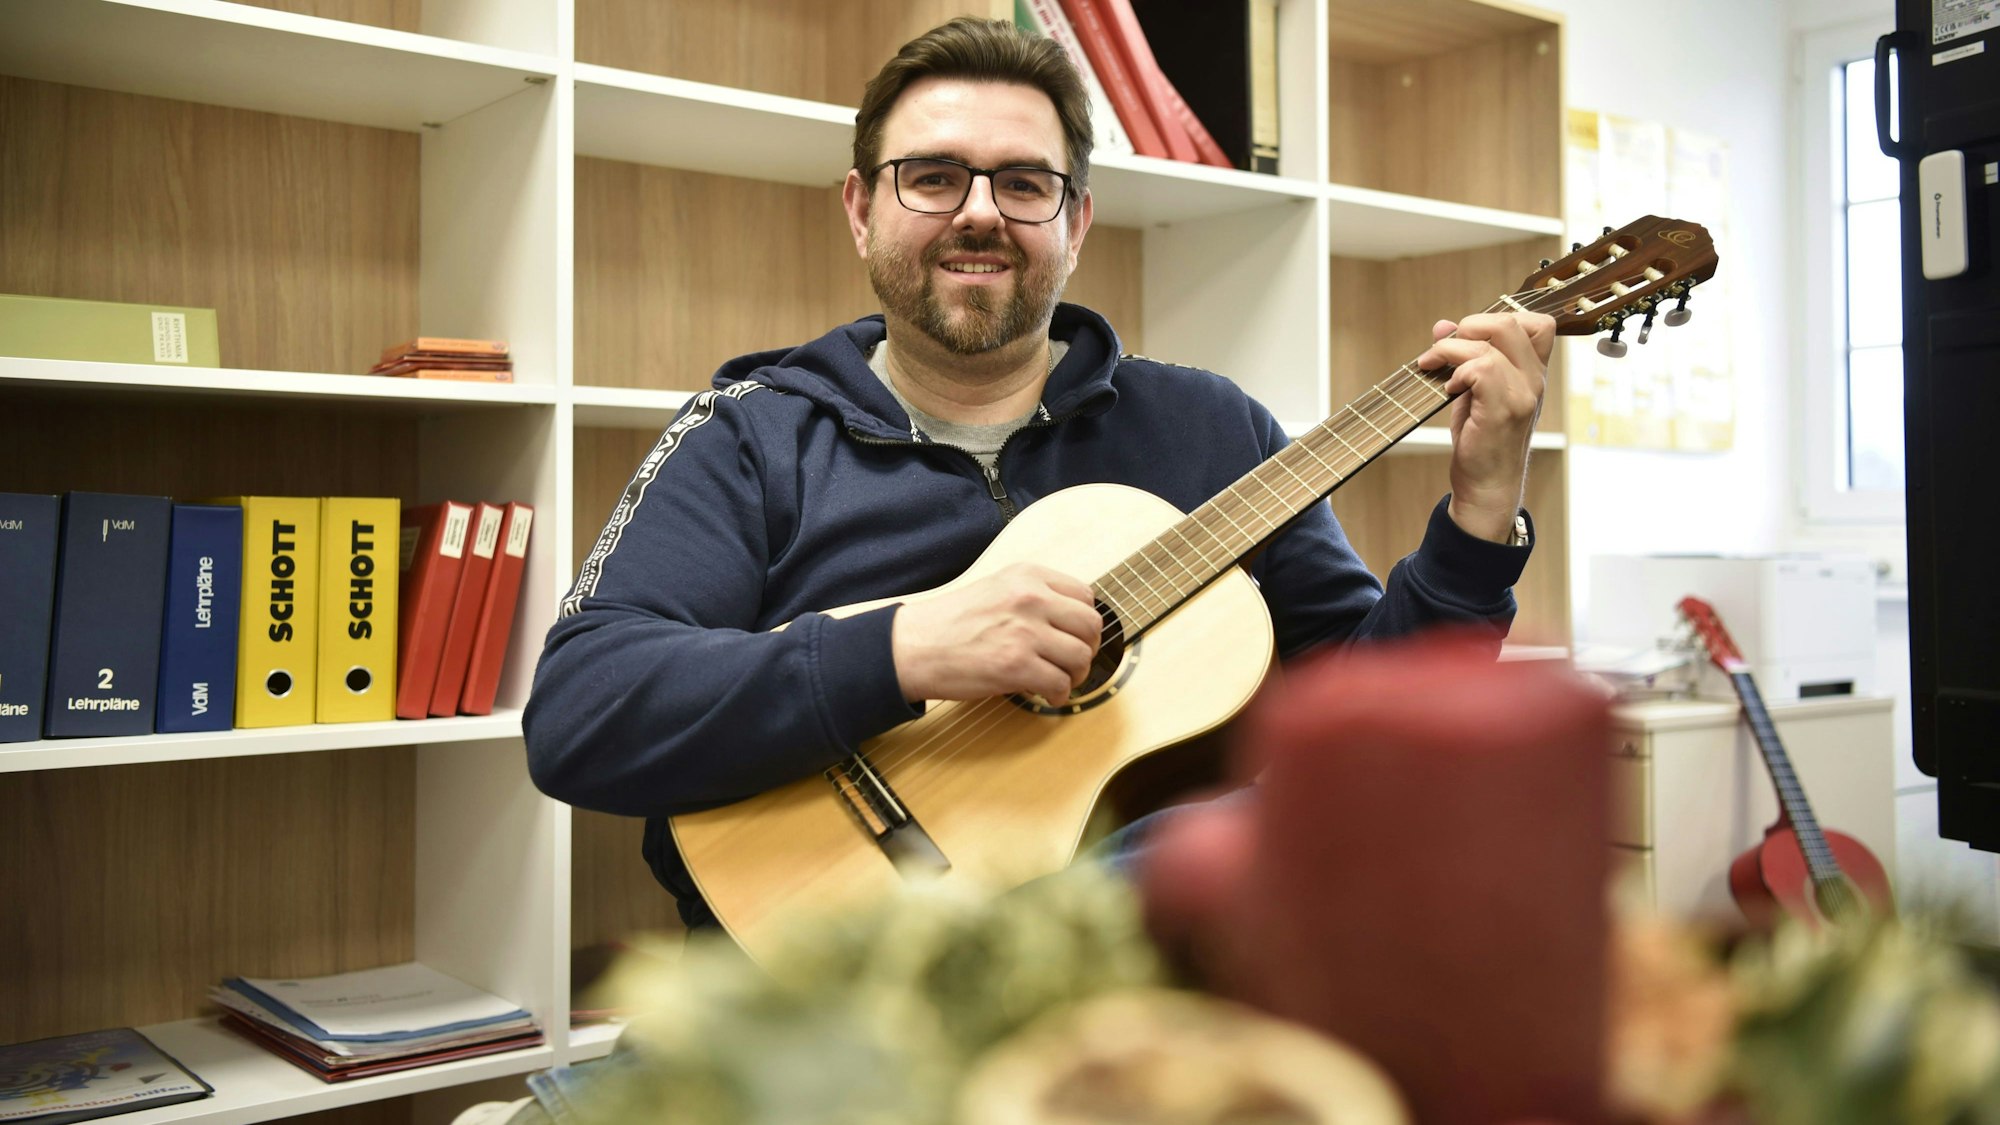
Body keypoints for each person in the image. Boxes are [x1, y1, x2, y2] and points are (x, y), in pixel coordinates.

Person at [523, 16, 1553, 931]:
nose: (979, 212)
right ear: (858, 208)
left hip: (1132, 971)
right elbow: (582, 716)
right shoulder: (747, 436)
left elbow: (1381, 730)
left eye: (1023, 183)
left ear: (1076, 221)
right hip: (832, 987)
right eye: (931, 177)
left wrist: (1478, 511)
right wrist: (899, 648)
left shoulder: (1210, 428)